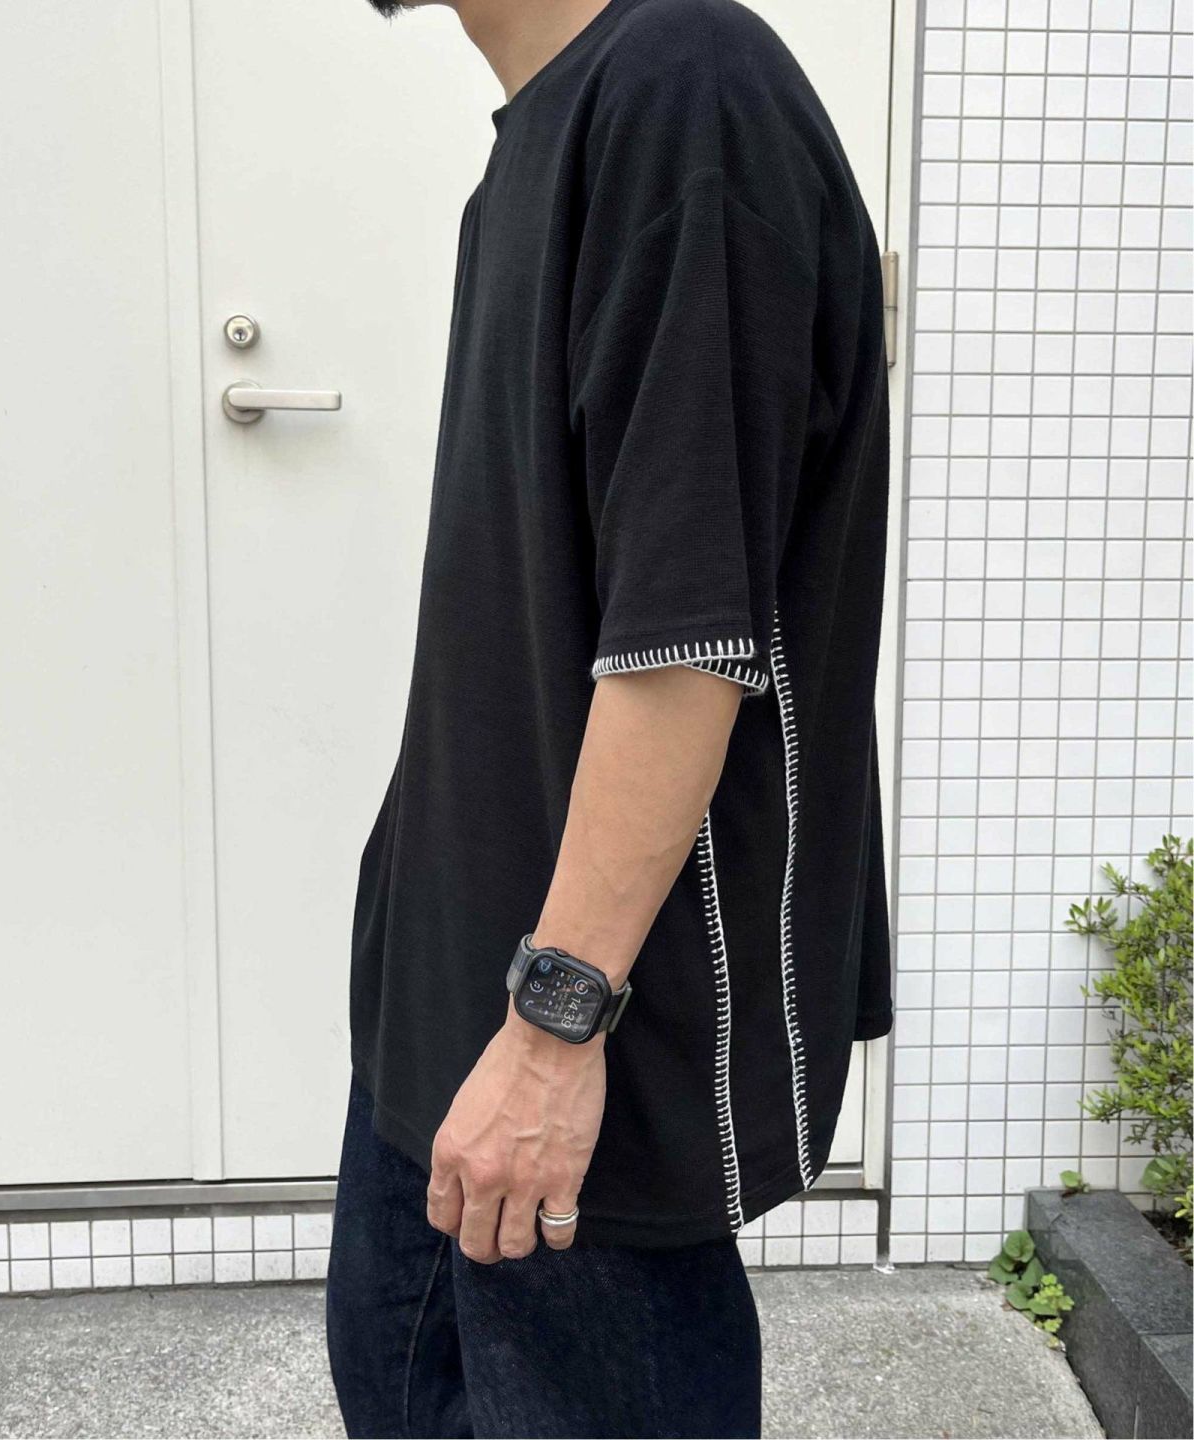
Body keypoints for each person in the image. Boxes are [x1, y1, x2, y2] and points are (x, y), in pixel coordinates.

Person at [325, 0, 893, 1434]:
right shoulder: (546, 131)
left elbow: (685, 642)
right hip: (453, 998)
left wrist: (554, 1027)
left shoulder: (683, 91)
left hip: (586, 1029)